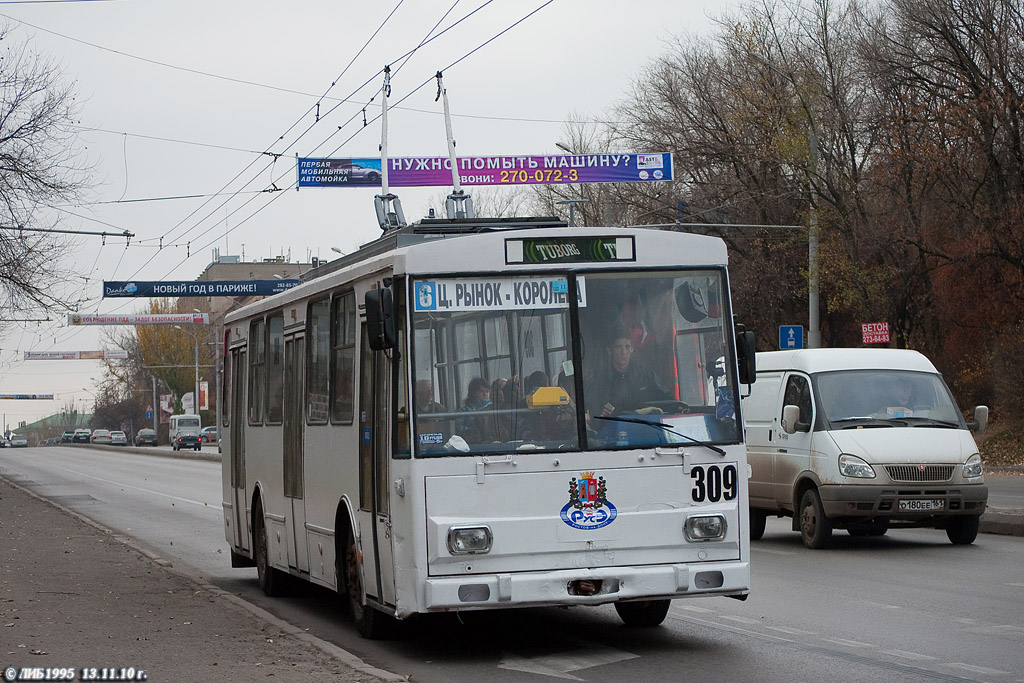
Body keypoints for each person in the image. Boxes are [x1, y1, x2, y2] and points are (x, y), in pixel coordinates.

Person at [587, 326, 670, 418]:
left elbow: (668, 399)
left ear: (632, 349)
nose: (624, 352)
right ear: (609, 351)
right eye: (618, 347)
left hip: (645, 426)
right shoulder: (599, 378)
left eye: (627, 347)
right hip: (611, 429)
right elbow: (591, 410)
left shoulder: (645, 374)